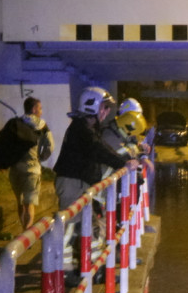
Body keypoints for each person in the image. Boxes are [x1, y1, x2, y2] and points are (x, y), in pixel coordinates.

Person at [53, 86, 136, 268]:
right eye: (104, 107)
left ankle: (91, 266)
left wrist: (123, 160)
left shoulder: (87, 128)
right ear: (93, 107)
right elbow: (98, 149)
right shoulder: (82, 130)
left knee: (87, 225)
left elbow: (102, 147)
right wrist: (123, 164)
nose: (106, 112)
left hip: (79, 183)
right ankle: (63, 270)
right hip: (72, 183)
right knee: (70, 227)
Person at [8, 96, 54, 230]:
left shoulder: (14, 123)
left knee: (20, 202)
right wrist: (41, 157)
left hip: (15, 169)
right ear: (34, 109)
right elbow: (50, 146)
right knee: (29, 204)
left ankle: (24, 230)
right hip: (32, 169)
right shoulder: (42, 125)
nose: (41, 112)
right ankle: (27, 233)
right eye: (40, 109)